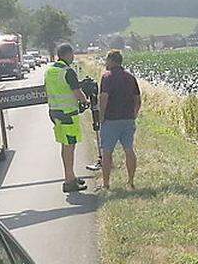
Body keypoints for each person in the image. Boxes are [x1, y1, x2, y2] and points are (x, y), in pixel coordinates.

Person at [44, 43, 90, 192]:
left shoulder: (50, 71)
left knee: (65, 145)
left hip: (54, 111)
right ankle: (69, 180)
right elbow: (77, 92)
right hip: (68, 113)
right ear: (67, 55)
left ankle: (70, 176)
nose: (73, 57)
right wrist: (85, 101)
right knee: (70, 146)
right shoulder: (67, 71)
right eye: (72, 54)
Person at [97, 49, 142, 190]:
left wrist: (101, 116)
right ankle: (131, 181)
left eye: (106, 60)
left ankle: (106, 184)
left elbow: (104, 98)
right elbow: (138, 99)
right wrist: (134, 113)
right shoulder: (130, 77)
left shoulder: (107, 77)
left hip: (111, 119)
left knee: (107, 152)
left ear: (111, 61)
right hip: (128, 118)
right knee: (129, 149)